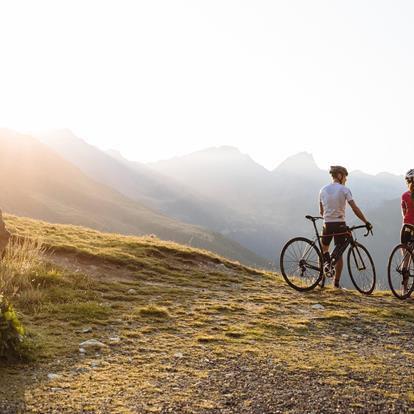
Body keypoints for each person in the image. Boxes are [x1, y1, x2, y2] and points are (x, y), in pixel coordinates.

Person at [319, 166, 372, 288]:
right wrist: (366, 221)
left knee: (324, 251)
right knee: (339, 253)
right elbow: (355, 208)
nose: (346, 179)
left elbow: (321, 212)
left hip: (326, 224)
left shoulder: (322, 190)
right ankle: (336, 284)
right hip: (339, 224)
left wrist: (329, 216)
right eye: (345, 176)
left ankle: (320, 280)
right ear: (339, 175)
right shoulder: (344, 190)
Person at [400, 169, 414, 293]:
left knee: (406, 258)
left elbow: (404, 213)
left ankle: (404, 290)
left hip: (405, 228)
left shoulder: (404, 195)